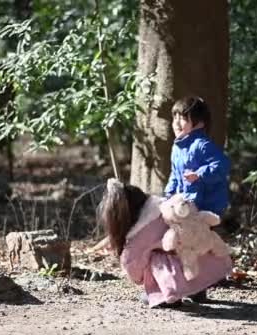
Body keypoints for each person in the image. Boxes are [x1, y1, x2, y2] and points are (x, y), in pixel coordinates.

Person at [97, 178, 231, 308]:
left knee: (158, 257)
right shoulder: (166, 207)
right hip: (211, 262)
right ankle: (196, 291)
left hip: (189, 269)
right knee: (183, 247)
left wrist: (138, 276)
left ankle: (168, 295)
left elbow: (131, 263)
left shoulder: (143, 232)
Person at [165, 96, 230, 217]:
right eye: (175, 118)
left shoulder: (202, 144)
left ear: (199, 123)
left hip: (207, 208)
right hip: (186, 205)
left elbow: (222, 165)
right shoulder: (177, 147)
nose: (177, 123)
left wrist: (199, 174)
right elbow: (174, 174)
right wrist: (169, 194)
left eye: (183, 118)